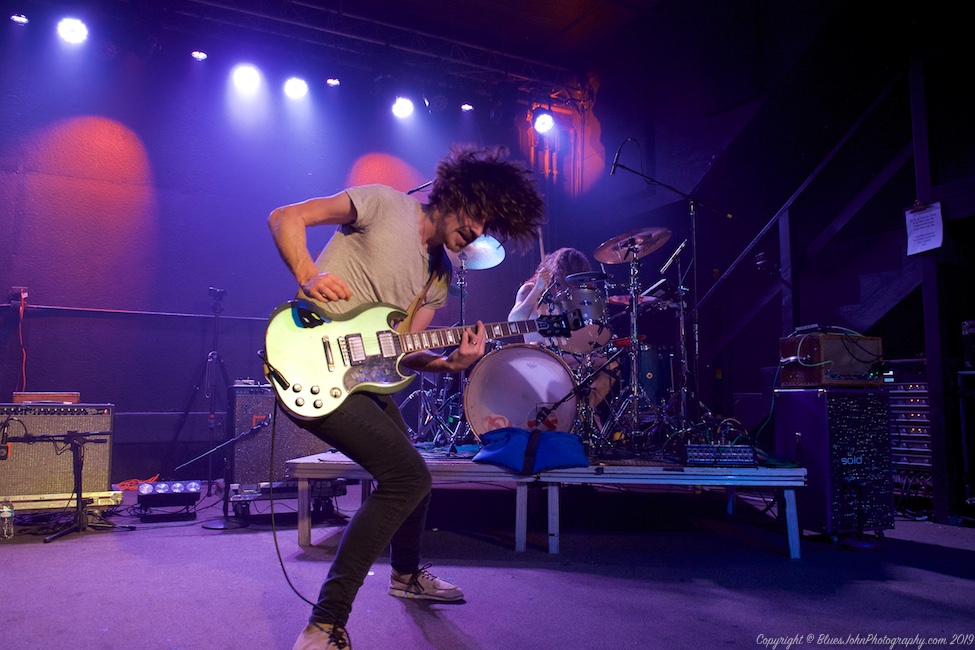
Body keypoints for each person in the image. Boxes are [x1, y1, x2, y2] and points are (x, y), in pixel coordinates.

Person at [268, 144, 545, 650]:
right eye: (478, 215)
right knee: (407, 476)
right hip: (313, 361)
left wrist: (450, 364)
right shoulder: (381, 203)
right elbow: (285, 217)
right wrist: (309, 274)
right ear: (456, 193)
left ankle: (406, 574)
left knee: (413, 472)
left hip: (365, 380)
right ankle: (324, 626)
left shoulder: (439, 277)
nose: (479, 232)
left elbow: (404, 354)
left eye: (490, 227)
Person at [507, 247, 618, 414]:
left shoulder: (569, 297)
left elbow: (577, 333)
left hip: (565, 355)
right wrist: (538, 290)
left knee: (612, 364)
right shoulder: (529, 289)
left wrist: (600, 337)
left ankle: (581, 409)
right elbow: (513, 321)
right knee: (537, 344)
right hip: (537, 355)